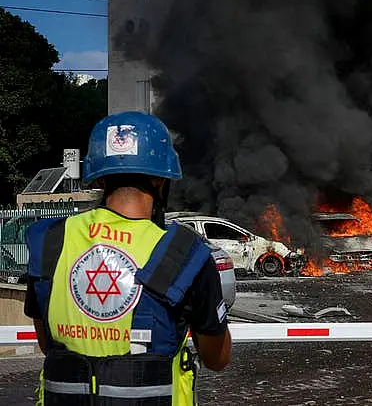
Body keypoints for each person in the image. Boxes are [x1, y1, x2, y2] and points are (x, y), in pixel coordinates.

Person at [24, 111, 231, 406]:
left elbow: (48, 345)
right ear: (161, 179)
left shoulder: (50, 241)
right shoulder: (184, 254)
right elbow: (217, 358)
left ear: (98, 176)